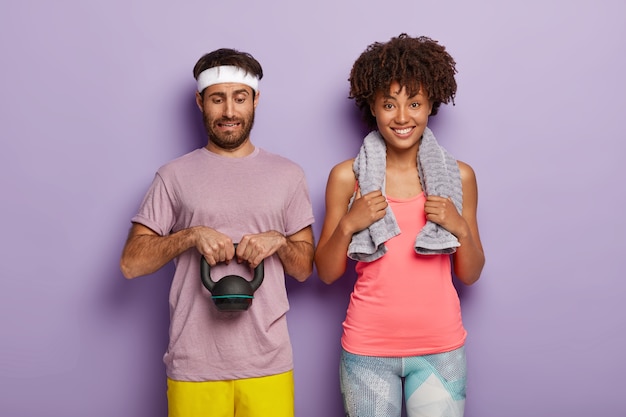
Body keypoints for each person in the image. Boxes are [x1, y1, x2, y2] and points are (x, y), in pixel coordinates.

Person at [120, 48, 315, 417]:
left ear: (255, 100)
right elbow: (131, 264)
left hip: (268, 364)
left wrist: (279, 242)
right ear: (200, 101)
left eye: (240, 98)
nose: (229, 111)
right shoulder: (173, 175)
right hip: (195, 366)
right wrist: (190, 236)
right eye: (217, 99)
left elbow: (305, 268)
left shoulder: (288, 174)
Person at [314, 34, 485, 417]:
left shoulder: (459, 176)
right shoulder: (347, 177)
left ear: (430, 106)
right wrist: (348, 225)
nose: (403, 117)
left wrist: (459, 227)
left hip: (440, 347)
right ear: (372, 107)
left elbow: (471, 273)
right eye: (389, 104)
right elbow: (325, 273)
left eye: (414, 103)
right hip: (367, 348)